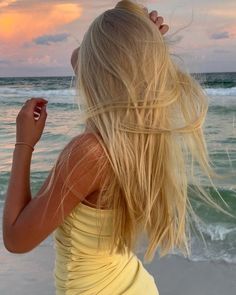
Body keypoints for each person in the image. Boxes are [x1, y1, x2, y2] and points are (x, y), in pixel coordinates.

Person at [2, 1, 233, 294]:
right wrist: (137, 37)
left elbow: (16, 238)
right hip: (131, 283)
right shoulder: (134, 138)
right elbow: (81, 59)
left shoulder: (89, 153)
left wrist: (23, 144)